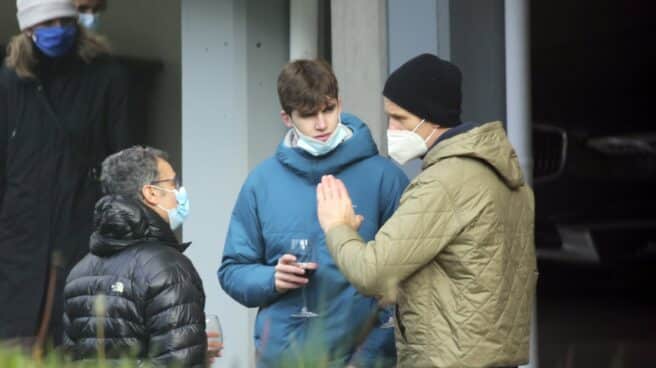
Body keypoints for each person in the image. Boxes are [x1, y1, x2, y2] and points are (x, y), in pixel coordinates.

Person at [316, 53, 538, 368]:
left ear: (432, 117)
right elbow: (472, 272)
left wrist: (337, 227)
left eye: (400, 119)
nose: (391, 129)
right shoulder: (501, 177)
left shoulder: (445, 182)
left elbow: (371, 273)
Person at [218, 59, 408, 367]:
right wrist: (271, 278)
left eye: (328, 109)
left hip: (369, 355)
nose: (321, 124)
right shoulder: (260, 183)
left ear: (339, 104)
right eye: (308, 115)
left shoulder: (385, 177)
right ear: (286, 117)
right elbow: (232, 271)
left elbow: (411, 273)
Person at [0, 0, 131, 346]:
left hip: (82, 235)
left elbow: (122, 163)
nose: (58, 30)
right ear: (28, 29)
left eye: (64, 20)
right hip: (20, 248)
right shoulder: (10, 82)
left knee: (79, 341)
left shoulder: (105, 75)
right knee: (19, 346)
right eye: (48, 23)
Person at [63, 146, 217, 367]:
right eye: (174, 183)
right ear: (151, 192)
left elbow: (69, 360)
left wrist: (195, 350)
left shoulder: (78, 272)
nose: (179, 191)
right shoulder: (168, 268)